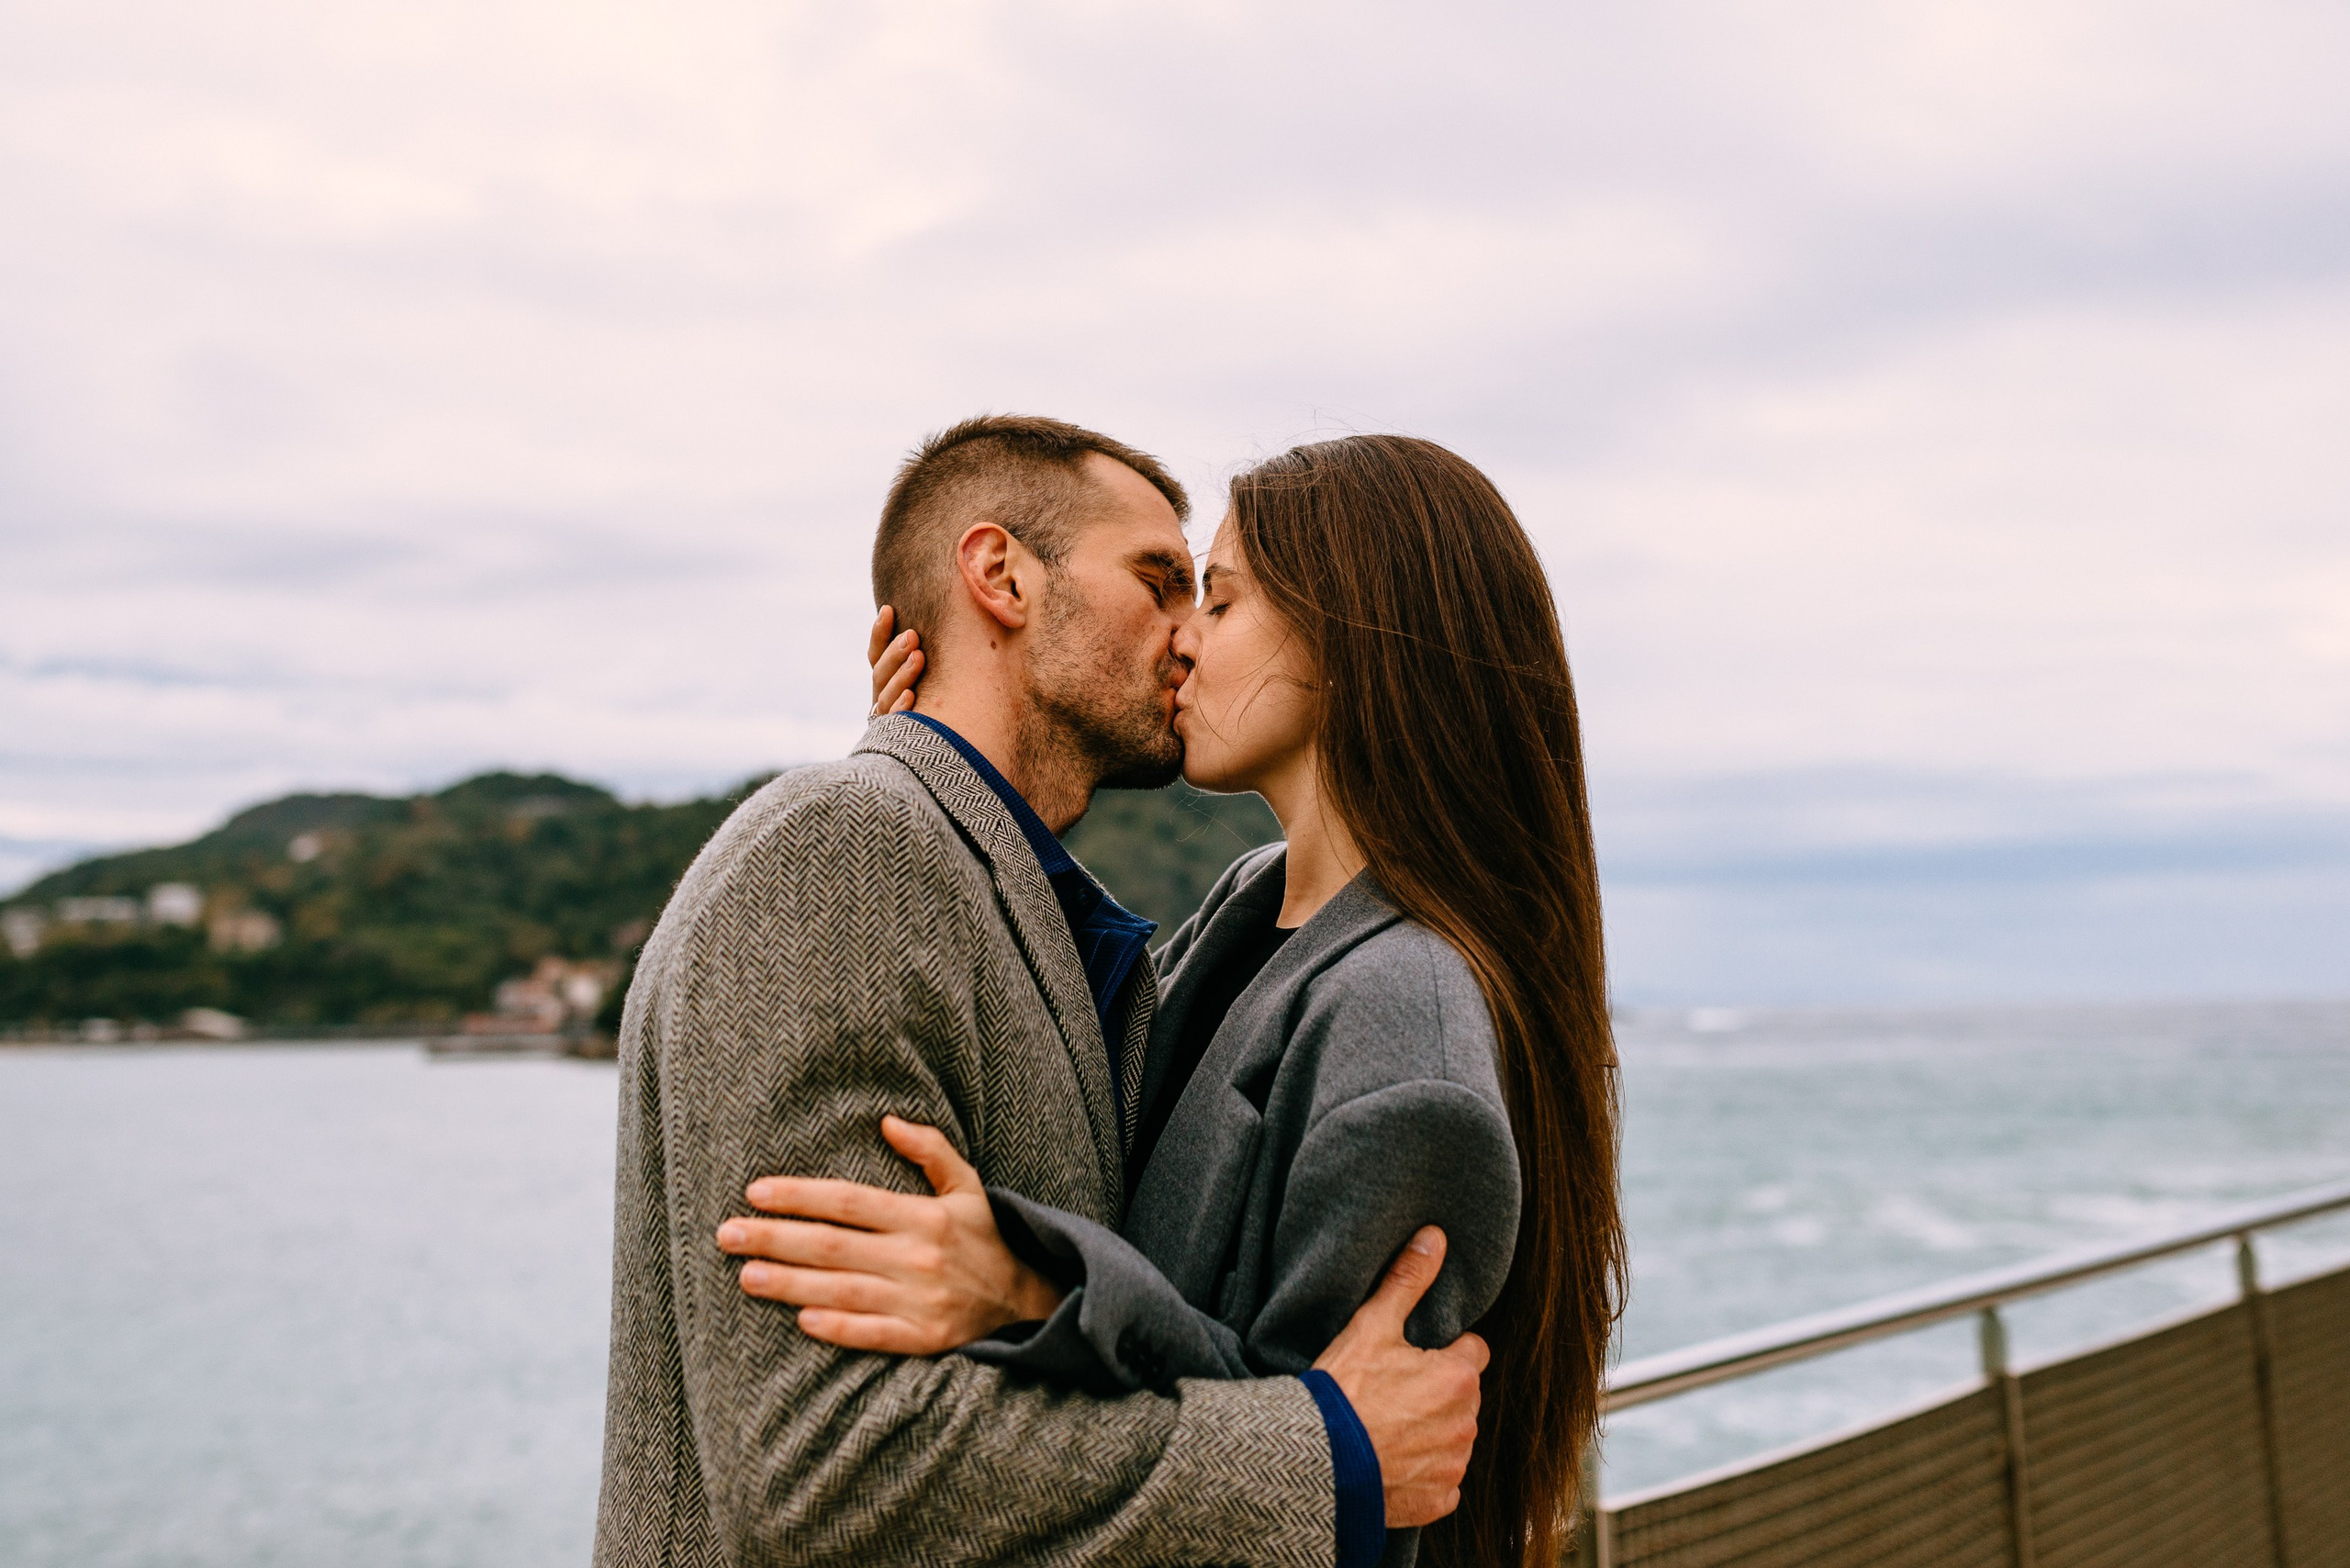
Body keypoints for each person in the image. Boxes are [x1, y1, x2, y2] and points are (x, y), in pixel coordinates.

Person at [594, 415, 1490, 1568]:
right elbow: (826, 1467)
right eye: (1163, 582)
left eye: (1208, 598)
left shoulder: (986, 899)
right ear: (1001, 575)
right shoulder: (847, 859)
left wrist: (1029, 1283)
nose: (1187, 639)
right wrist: (1326, 1454)